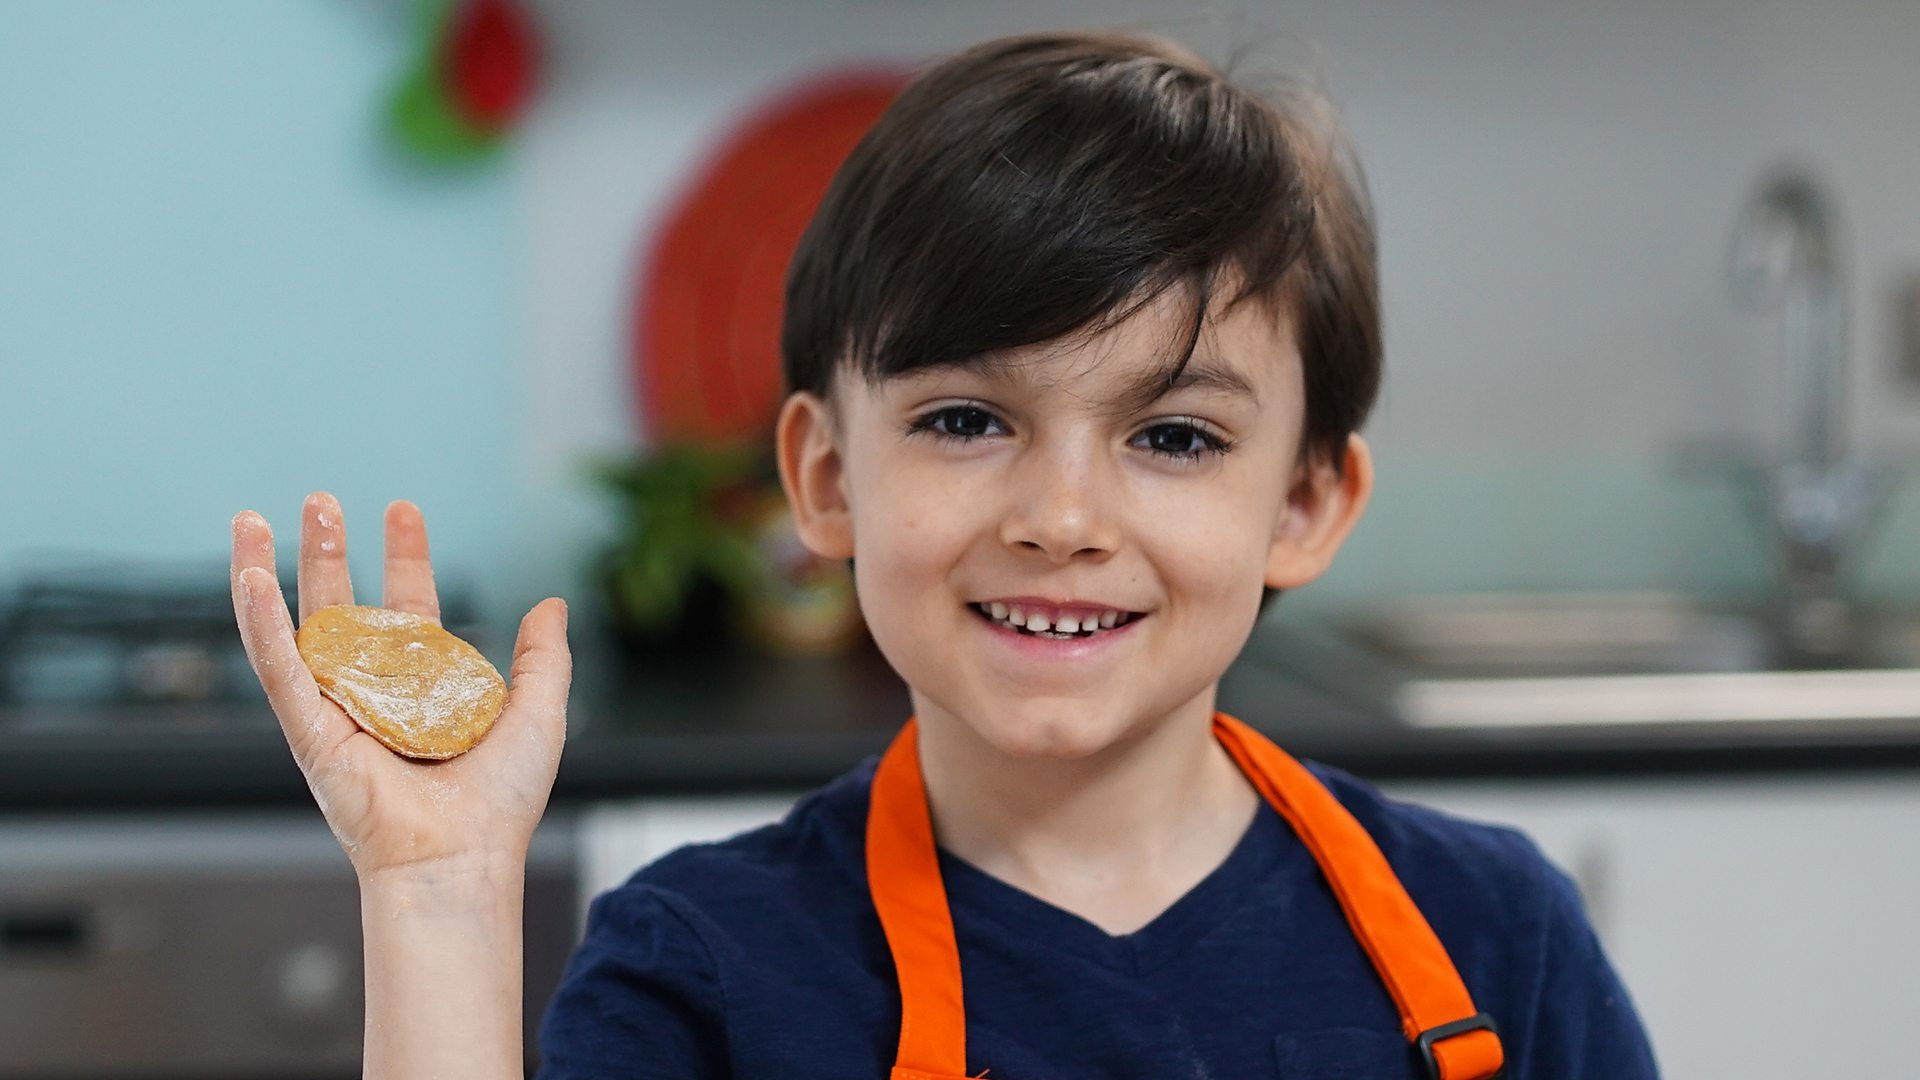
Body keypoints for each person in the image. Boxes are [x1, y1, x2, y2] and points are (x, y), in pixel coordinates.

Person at [231, 27, 1660, 1080]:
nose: (1062, 515)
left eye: (1174, 437)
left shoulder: (1494, 939)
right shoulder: (701, 969)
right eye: (970, 418)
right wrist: (439, 898)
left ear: (1306, 504)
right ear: (826, 479)